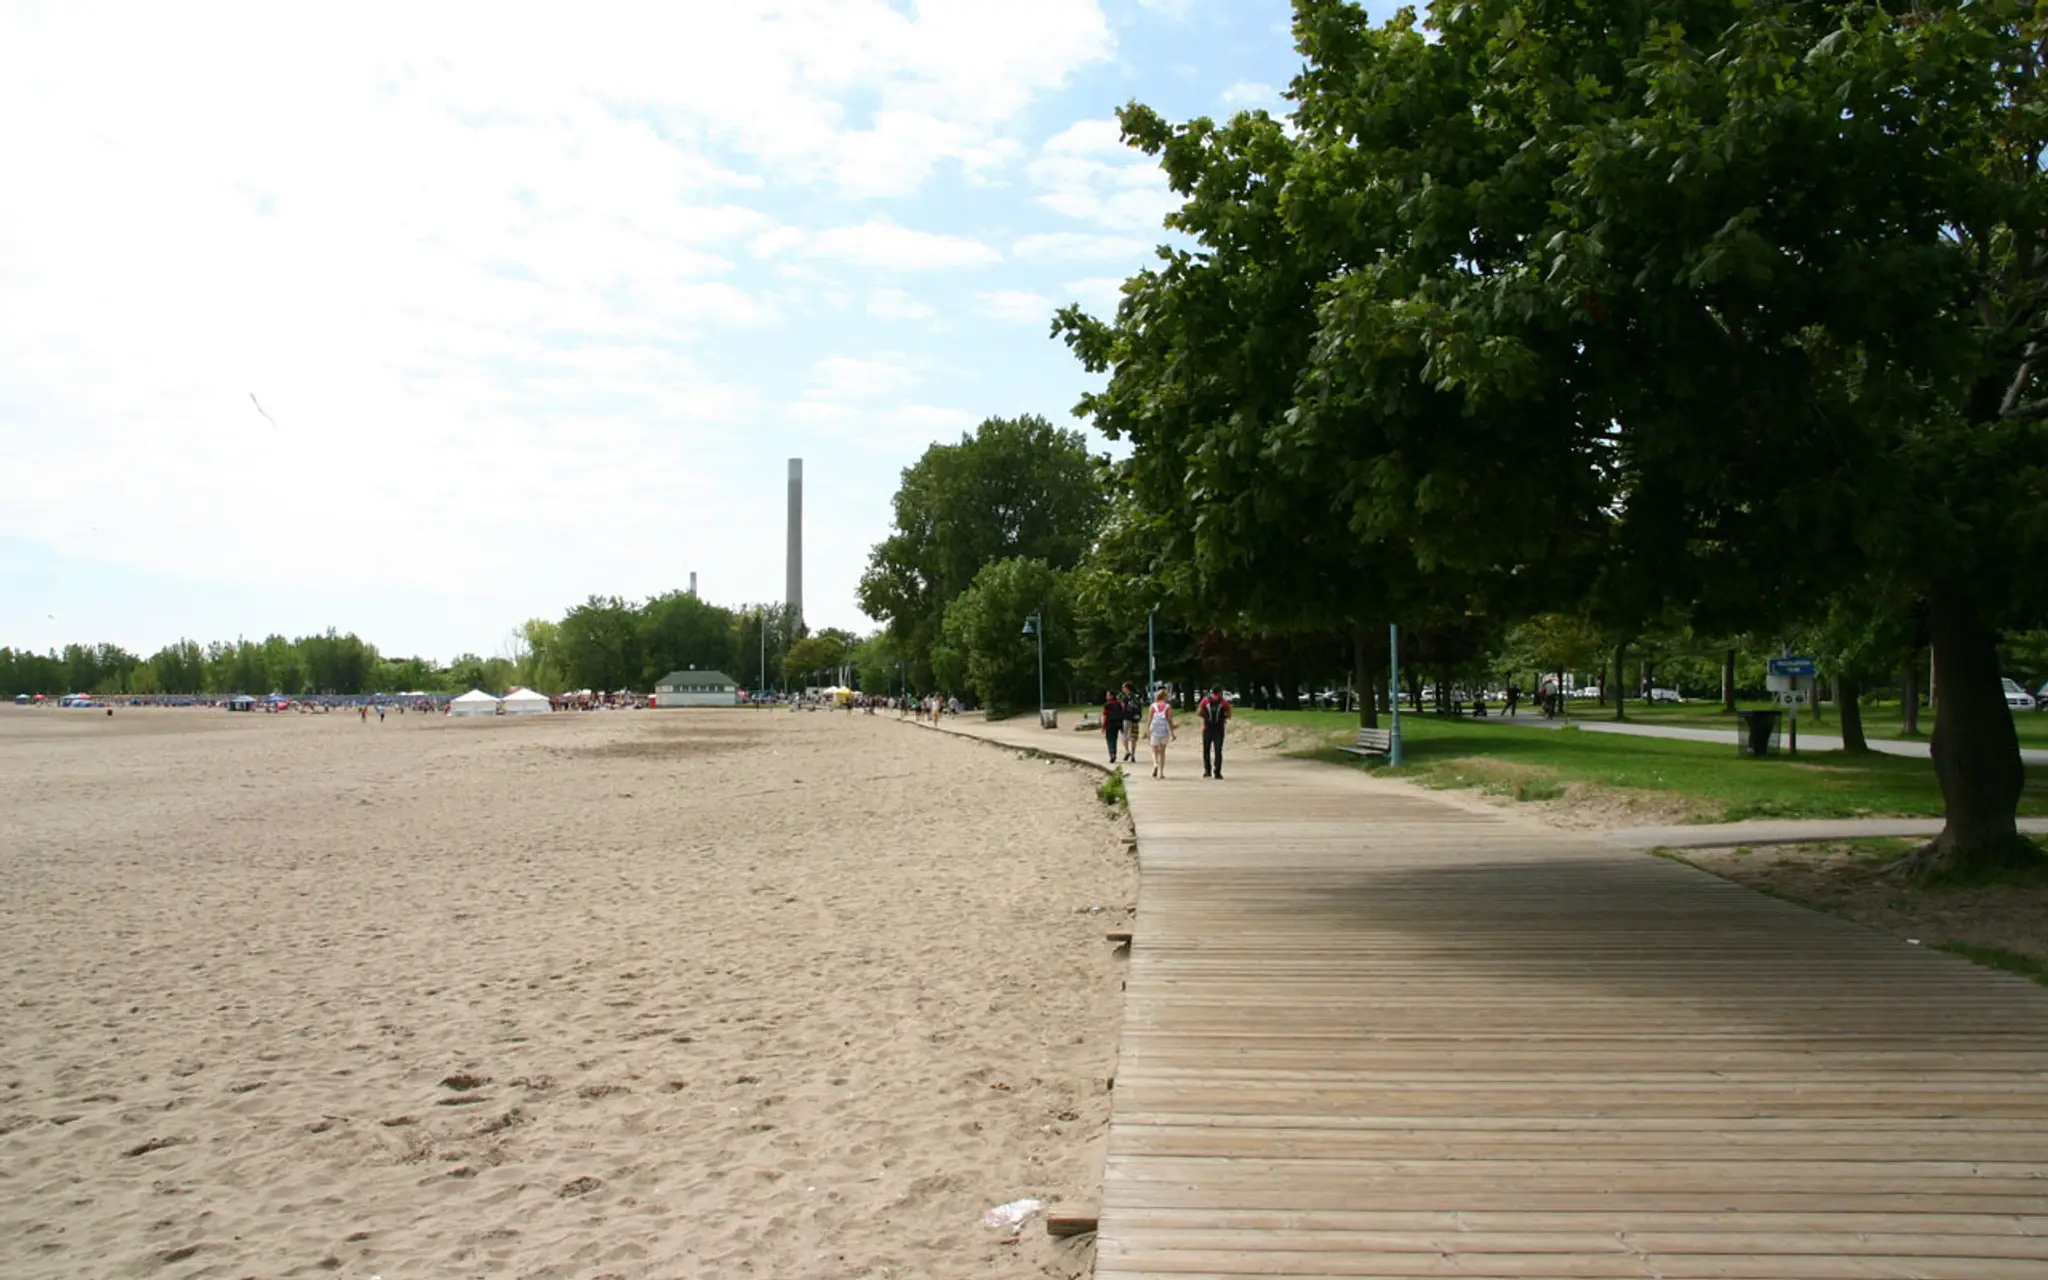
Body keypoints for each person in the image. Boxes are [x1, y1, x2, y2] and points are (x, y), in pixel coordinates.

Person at [1196, 686, 1231, 778]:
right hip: (1219, 729)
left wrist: (1206, 717)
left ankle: (1207, 770)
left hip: (1207, 728)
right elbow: (1229, 714)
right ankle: (1217, 772)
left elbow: (1198, 712)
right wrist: (1223, 718)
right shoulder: (1224, 702)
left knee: (1206, 750)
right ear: (1219, 692)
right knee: (1218, 750)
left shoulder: (1205, 700)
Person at [1146, 687, 1175, 778]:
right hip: (1164, 730)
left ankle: (1155, 764)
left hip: (1155, 730)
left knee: (1154, 750)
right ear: (1165, 697)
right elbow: (1169, 720)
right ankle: (1161, 773)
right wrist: (1173, 732)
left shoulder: (1153, 706)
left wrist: (1148, 730)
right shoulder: (1168, 706)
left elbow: (1149, 719)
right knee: (1162, 751)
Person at [1101, 689, 1127, 765]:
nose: (1106, 696)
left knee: (1109, 739)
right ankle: (1114, 753)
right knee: (1114, 739)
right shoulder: (1118, 703)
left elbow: (1105, 715)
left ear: (1111, 696)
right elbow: (1122, 713)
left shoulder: (1107, 705)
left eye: (1108, 695)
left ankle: (1112, 754)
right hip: (1117, 724)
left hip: (1109, 723)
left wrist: (1103, 725)